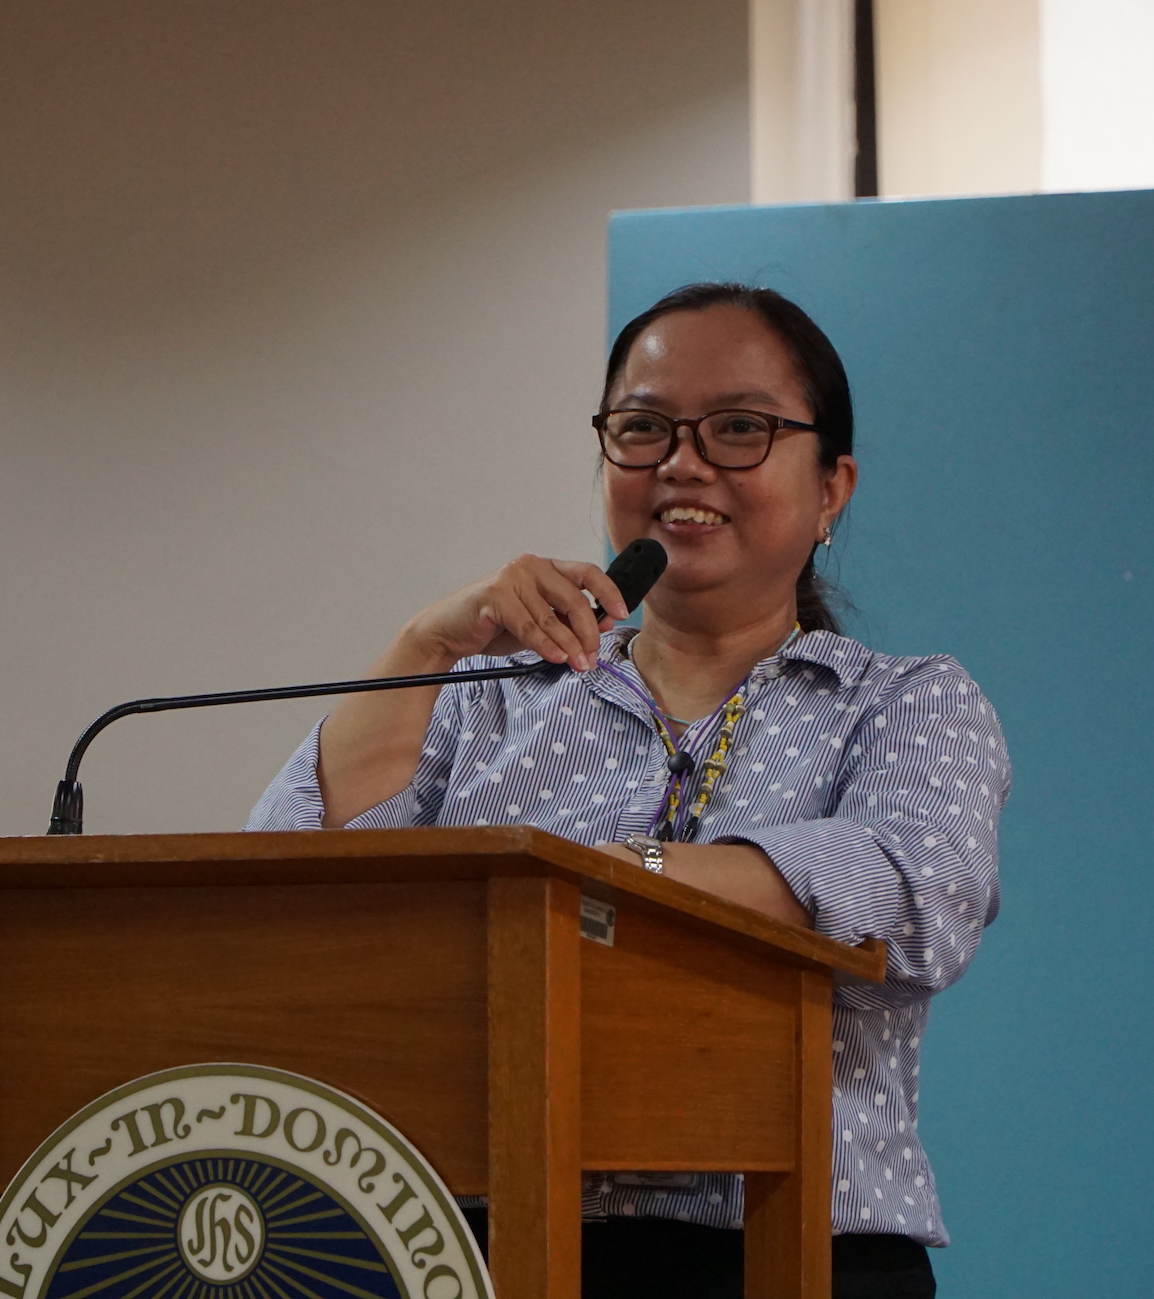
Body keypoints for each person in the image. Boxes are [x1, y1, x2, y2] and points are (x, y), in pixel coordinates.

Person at [249, 282, 1010, 1299]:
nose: (682, 462)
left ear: (832, 487)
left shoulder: (902, 701)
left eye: (738, 428)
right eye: (643, 428)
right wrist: (425, 644)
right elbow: (295, 893)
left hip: (787, 1251)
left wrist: (619, 874)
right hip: (481, 1248)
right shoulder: (490, 695)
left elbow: (916, 890)